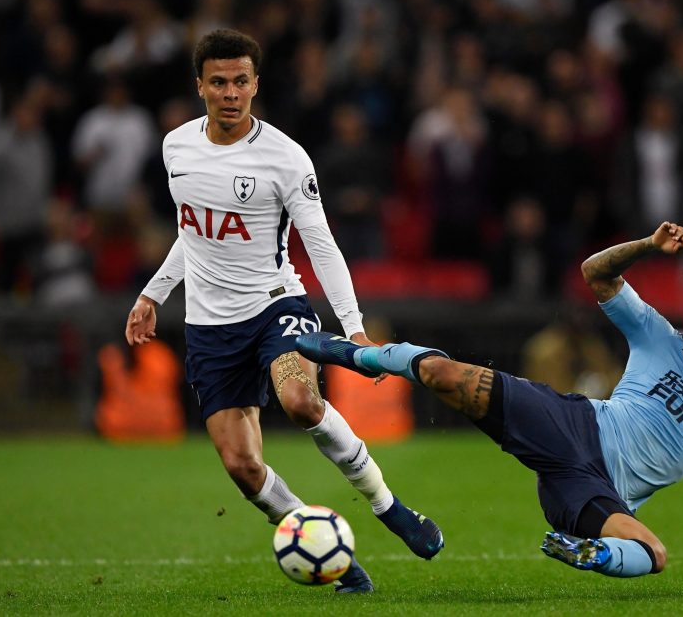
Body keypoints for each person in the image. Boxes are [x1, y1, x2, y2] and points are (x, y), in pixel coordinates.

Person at [297, 221, 683, 594]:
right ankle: (356, 353)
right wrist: (647, 245)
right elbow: (595, 273)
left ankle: (591, 552)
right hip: (574, 424)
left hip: (593, 495)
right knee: (444, 374)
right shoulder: (658, 336)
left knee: (655, 554)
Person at [123, 29, 443, 593]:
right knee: (243, 468)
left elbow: (320, 242)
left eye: (240, 81)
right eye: (218, 82)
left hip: (276, 307)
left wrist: (355, 327)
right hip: (209, 328)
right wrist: (153, 293)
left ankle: (387, 505)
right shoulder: (176, 148)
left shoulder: (285, 157)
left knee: (300, 400)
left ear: (255, 85)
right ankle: (328, 551)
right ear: (199, 86)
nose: (230, 92)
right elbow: (191, 234)